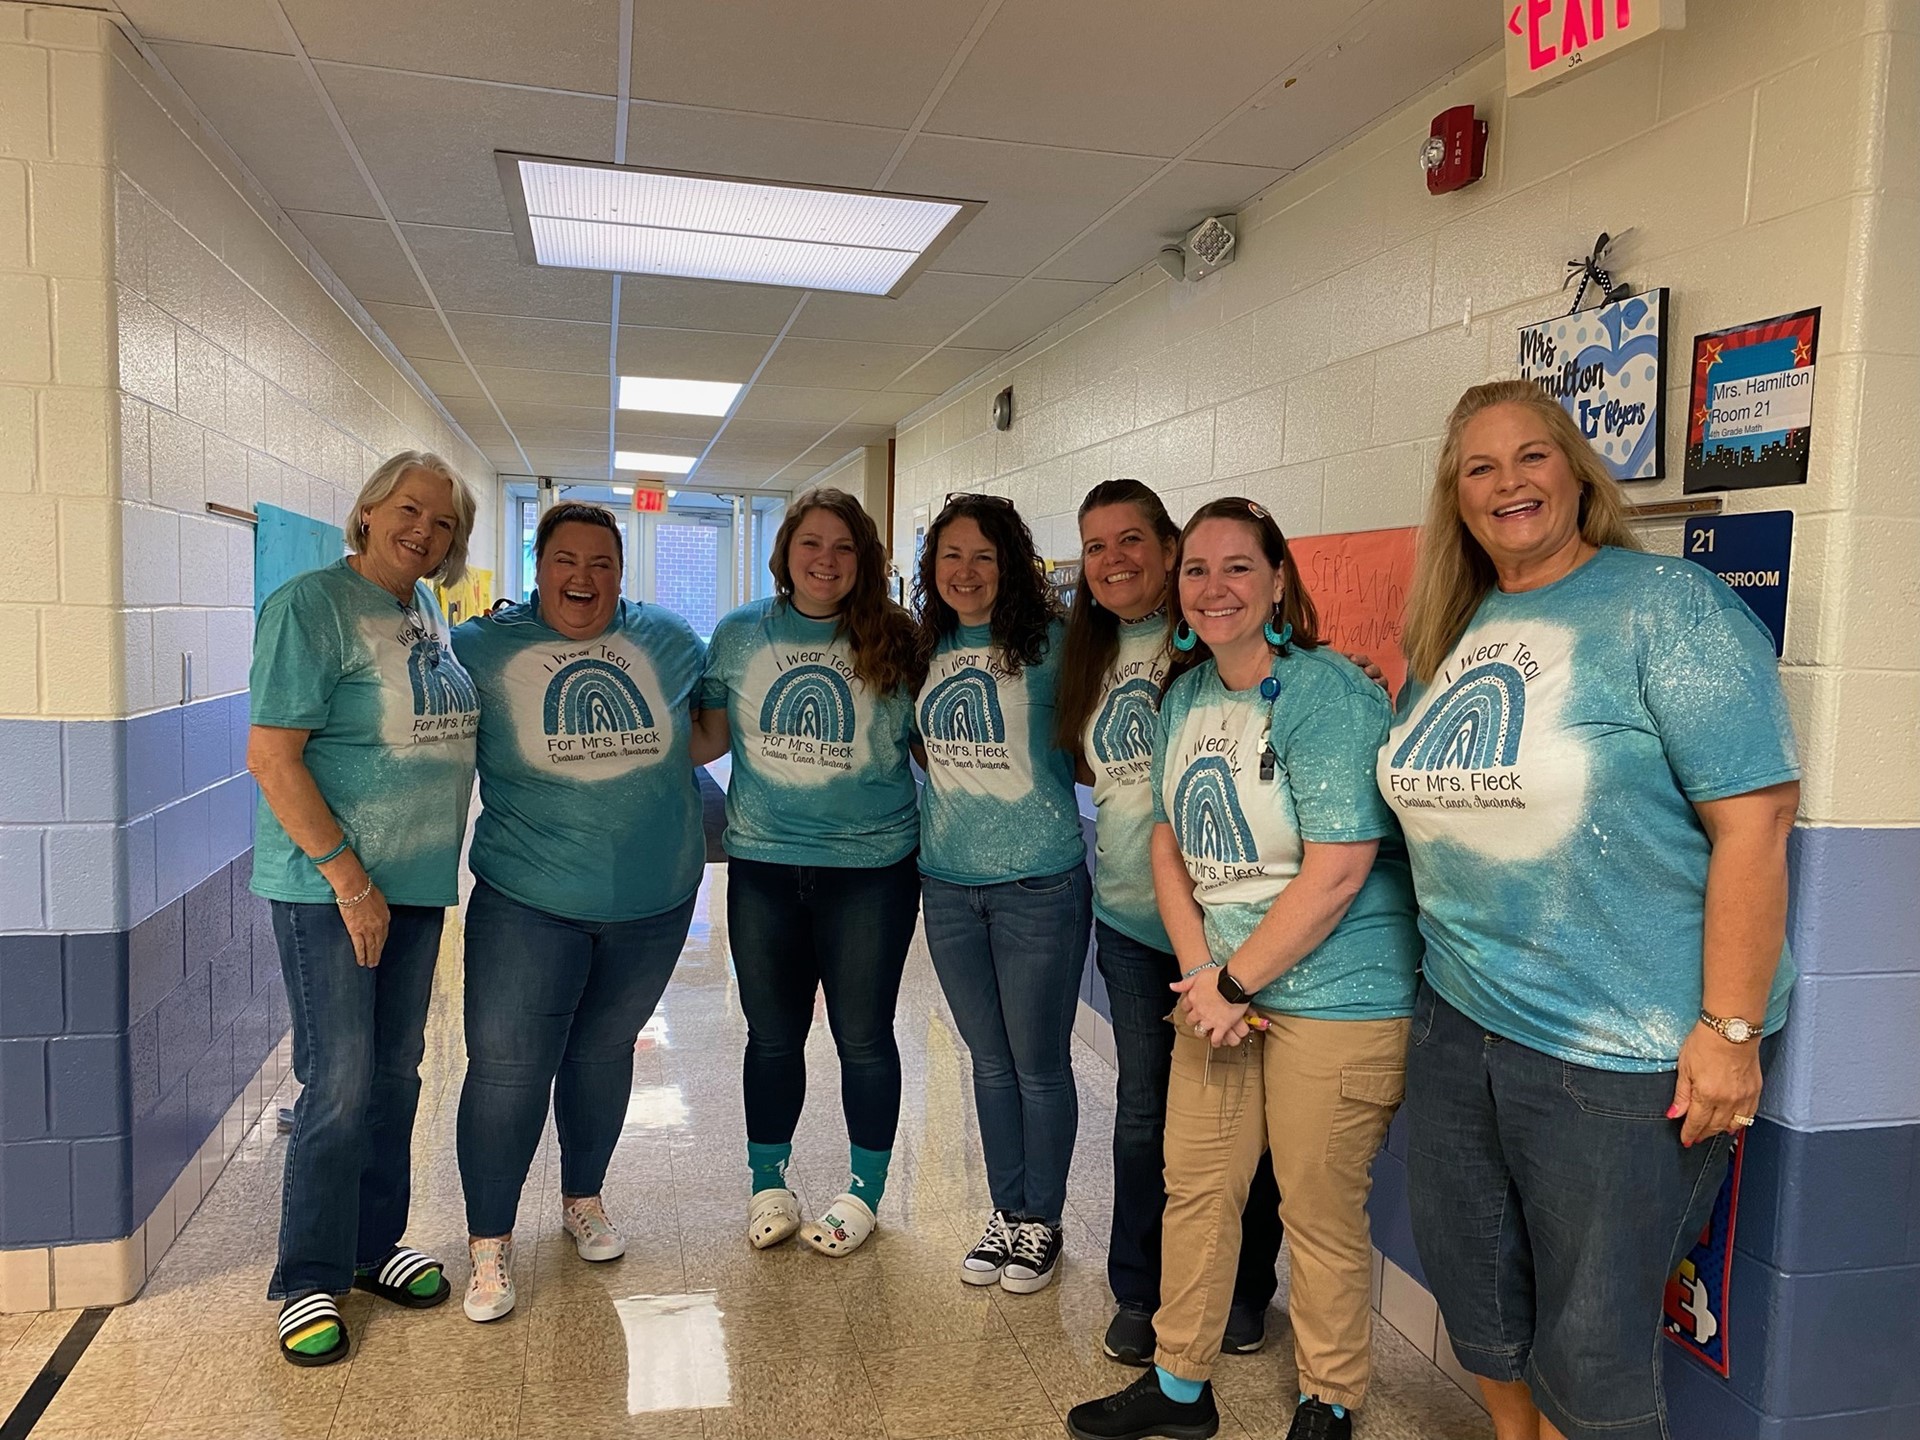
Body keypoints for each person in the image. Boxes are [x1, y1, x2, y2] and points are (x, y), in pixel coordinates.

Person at [1386, 381, 1799, 1440]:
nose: (1508, 483)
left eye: (1532, 456)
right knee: (1478, 1296)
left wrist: (1730, 1029)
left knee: (1596, 1347)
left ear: (1575, 470)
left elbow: (1755, 824)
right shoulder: (1451, 627)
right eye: (1479, 467)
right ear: (1456, 496)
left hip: (1620, 1054)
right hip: (1458, 1023)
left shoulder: (1667, 607)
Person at [1068, 497, 1420, 1440]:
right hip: (1224, 995)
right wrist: (1202, 977)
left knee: (1315, 1209)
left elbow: (1341, 866)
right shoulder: (1183, 698)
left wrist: (1231, 982)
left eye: (1236, 568)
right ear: (1178, 594)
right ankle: (1181, 1386)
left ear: (1275, 584)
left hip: (1337, 995)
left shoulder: (1326, 695)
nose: (1213, 587)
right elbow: (1169, 847)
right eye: (1197, 570)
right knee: (1198, 1188)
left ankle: (1329, 1399)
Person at [246, 451, 480, 1366]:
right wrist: (349, 877)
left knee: (396, 1077)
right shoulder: (311, 606)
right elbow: (273, 757)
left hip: (415, 888)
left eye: (444, 521)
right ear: (371, 510)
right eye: (409, 509)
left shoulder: (421, 611)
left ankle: (371, 1246)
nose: (424, 529)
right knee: (338, 1084)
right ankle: (307, 1278)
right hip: (333, 893)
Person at [450, 503, 706, 1321]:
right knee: (508, 1072)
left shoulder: (667, 640)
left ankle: (582, 1200)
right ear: (539, 566)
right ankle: (489, 1244)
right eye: (566, 560)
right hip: (530, 902)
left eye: (601, 563)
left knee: (602, 1056)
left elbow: (708, 731)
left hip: (654, 903)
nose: (582, 579)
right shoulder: (482, 648)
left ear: (622, 572)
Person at [1054, 479, 1284, 1364]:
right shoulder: (1090, 653)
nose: (1114, 561)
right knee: (1144, 1117)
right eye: (1096, 546)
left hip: (1233, 935)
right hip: (1132, 925)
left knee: (1241, 1121)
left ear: (1167, 547)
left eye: (1132, 541)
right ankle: (1138, 1292)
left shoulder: (1220, 646)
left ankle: (1241, 1293)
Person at [692, 488, 921, 1258]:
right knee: (772, 1037)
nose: (826, 561)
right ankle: (768, 1182)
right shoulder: (739, 634)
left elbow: (933, 747)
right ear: (785, 551)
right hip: (761, 866)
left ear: (865, 560)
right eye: (811, 544)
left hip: (872, 871)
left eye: (844, 548)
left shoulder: (898, 638)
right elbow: (705, 742)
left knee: (864, 1038)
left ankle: (864, 1192)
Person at [913, 493, 1091, 1296]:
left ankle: (1042, 1222)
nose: (966, 571)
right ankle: (1005, 1208)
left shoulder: (1056, 644)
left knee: (1038, 1066)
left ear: (1011, 563)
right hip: (949, 886)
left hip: (1039, 884)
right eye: (951, 555)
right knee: (987, 1063)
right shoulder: (924, 648)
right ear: (932, 568)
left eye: (983, 555)